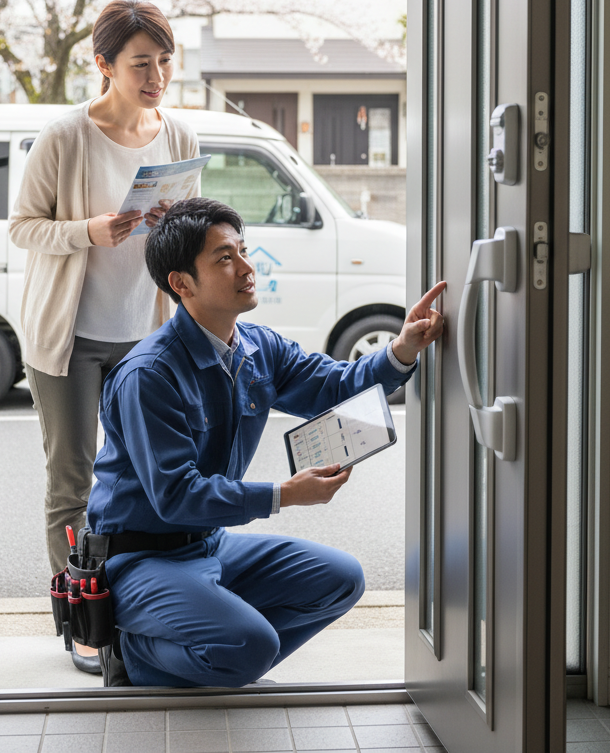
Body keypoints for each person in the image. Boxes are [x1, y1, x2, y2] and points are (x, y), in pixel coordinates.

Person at [87, 197, 446, 688]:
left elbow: (336, 385)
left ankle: (222, 658)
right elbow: (177, 496)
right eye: (224, 258)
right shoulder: (148, 375)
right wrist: (284, 494)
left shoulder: (258, 346)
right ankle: (136, 652)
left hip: (209, 544)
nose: (247, 267)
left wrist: (403, 348)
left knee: (342, 579)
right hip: (139, 560)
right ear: (181, 283)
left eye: (243, 250)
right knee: (251, 645)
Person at [7, 0, 198, 673]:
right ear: (104, 67)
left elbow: (187, 238)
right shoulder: (64, 138)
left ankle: (135, 606)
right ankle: (82, 621)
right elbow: (23, 227)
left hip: (142, 335)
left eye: (164, 61)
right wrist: (87, 230)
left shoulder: (177, 135)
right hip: (69, 336)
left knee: (140, 477)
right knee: (73, 480)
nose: (158, 76)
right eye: (142, 64)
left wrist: (178, 224)